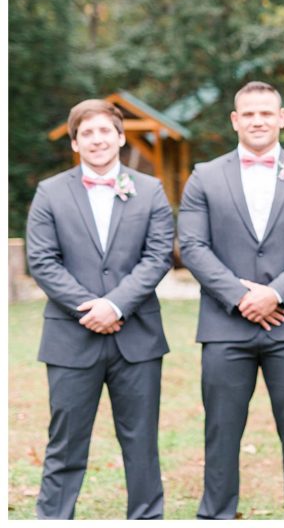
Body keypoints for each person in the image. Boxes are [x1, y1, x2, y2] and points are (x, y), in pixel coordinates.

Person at [178, 81, 284, 519]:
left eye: (266, 113)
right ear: (235, 120)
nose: (258, 121)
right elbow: (192, 245)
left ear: (281, 117)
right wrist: (238, 296)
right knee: (221, 434)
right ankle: (216, 514)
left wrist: (276, 294)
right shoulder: (204, 177)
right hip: (224, 327)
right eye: (248, 113)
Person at [27, 99, 174, 519]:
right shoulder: (50, 192)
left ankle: (146, 518)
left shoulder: (150, 190)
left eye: (104, 131)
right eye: (86, 133)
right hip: (71, 339)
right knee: (65, 443)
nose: (97, 139)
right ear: (75, 143)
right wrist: (87, 307)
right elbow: (42, 261)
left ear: (120, 136)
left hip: (138, 339)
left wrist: (116, 305)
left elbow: (158, 255)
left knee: (141, 444)